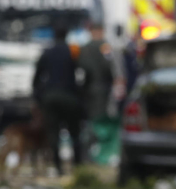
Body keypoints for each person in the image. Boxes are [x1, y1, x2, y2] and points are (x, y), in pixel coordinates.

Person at [33, 23, 83, 174]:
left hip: (50, 98)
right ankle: (78, 166)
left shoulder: (47, 52)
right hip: (69, 97)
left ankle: (58, 167)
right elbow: (82, 72)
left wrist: (39, 98)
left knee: (53, 133)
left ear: (53, 35)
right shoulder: (73, 51)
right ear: (67, 35)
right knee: (74, 132)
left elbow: (36, 79)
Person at [78, 23, 115, 160]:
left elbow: (81, 69)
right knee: (100, 121)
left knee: (89, 121)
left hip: (88, 90)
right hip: (102, 89)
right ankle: (100, 152)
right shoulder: (105, 47)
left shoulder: (84, 48)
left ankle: (86, 152)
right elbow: (108, 67)